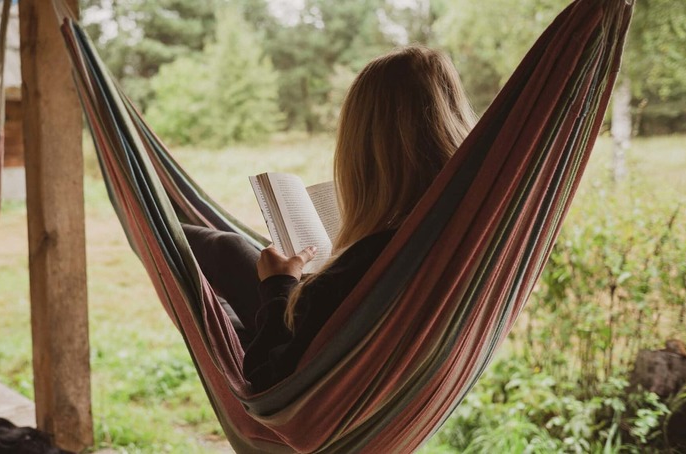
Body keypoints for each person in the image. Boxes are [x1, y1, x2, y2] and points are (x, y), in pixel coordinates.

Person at [184, 45, 477, 392]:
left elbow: (265, 378)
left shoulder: (359, 266)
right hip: (389, 372)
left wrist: (278, 288)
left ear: (365, 149)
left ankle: (166, 226)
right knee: (231, 260)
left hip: (314, 379)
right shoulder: (465, 220)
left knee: (223, 252)